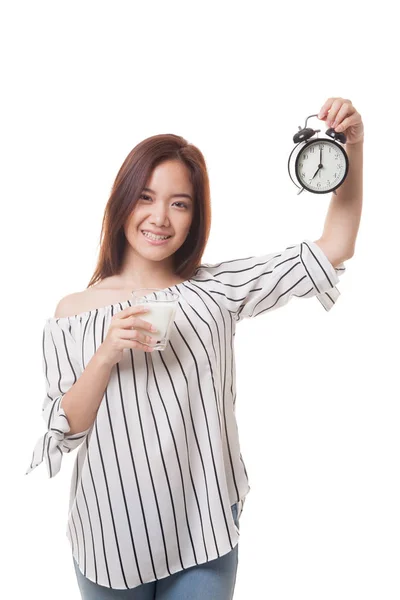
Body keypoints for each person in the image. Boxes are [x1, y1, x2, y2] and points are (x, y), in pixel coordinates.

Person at [26, 109, 360, 599]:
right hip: (109, 535)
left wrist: (353, 148)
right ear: (123, 203)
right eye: (146, 197)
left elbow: (335, 245)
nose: (160, 217)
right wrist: (105, 355)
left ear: (194, 217)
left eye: (179, 204)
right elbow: (67, 430)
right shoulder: (73, 311)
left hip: (204, 527)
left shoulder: (217, 290)